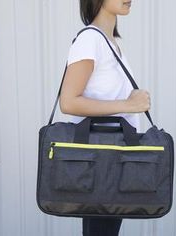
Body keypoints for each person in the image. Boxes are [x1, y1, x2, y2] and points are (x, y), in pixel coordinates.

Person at [59, 0, 151, 235]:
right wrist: (129, 104)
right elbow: (68, 102)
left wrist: (129, 101)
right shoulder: (90, 40)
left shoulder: (110, 43)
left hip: (111, 160)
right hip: (102, 163)